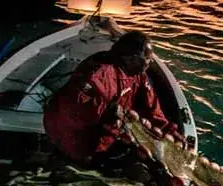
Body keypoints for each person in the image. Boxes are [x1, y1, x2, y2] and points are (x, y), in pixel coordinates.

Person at [43, 31, 183, 168]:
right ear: (131, 59)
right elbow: (73, 112)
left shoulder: (138, 74)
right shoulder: (98, 74)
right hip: (72, 135)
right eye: (147, 59)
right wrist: (112, 114)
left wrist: (168, 130)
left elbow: (151, 105)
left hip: (106, 128)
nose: (149, 63)